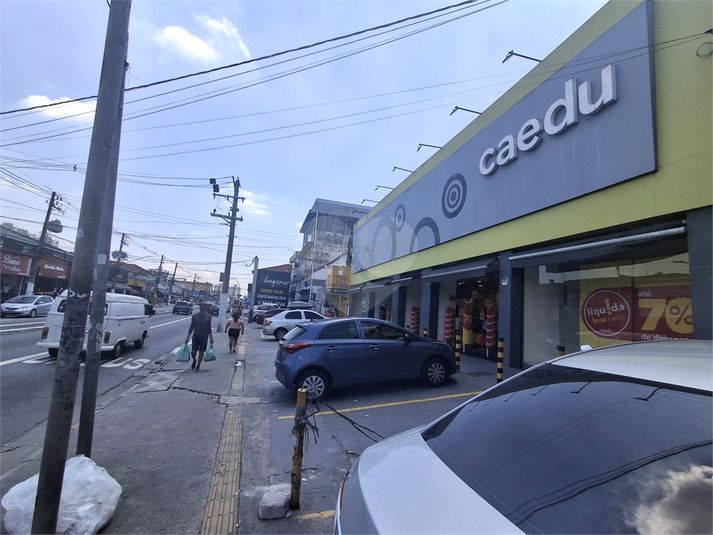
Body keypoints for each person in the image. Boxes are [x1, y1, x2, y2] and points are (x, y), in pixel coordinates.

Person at [185, 303, 214, 372]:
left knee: (201, 351)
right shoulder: (195, 316)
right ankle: (194, 360)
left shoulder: (208, 317)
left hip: (204, 336)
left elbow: (209, 328)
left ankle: (198, 365)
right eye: (201, 309)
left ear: (206, 309)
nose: (202, 311)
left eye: (203, 309)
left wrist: (211, 338)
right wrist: (187, 337)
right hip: (196, 336)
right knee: (193, 351)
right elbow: (191, 327)